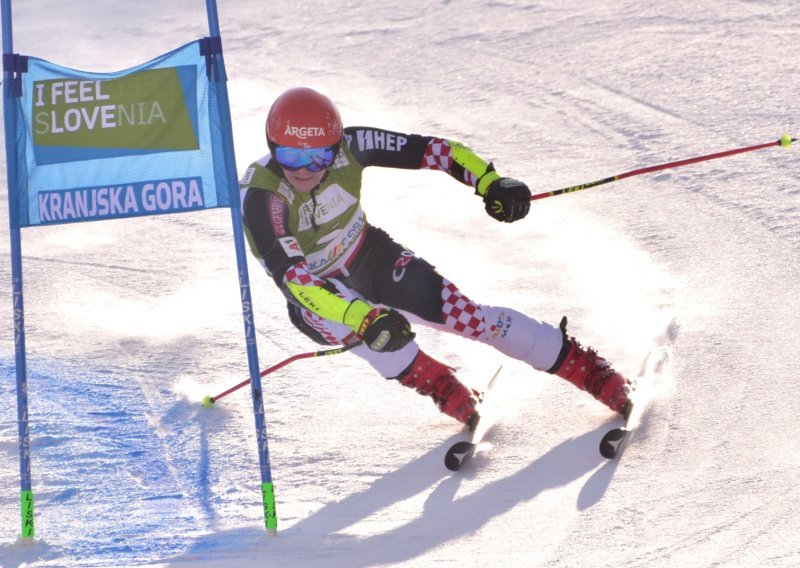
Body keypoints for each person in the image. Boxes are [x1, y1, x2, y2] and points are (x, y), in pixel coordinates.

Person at [239, 87, 632, 431]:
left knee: (473, 318)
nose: (306, 170)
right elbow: (296, 281)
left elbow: (434, 151)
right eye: (292, 156)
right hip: (316, 295)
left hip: (370, 256)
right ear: (273, 148)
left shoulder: (353, 146)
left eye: (320, 157)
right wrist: (362, 317)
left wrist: (489, 181)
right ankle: (439, 384)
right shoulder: (262, 197)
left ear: (336, 146)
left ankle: (586, 369)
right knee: (384, 343)